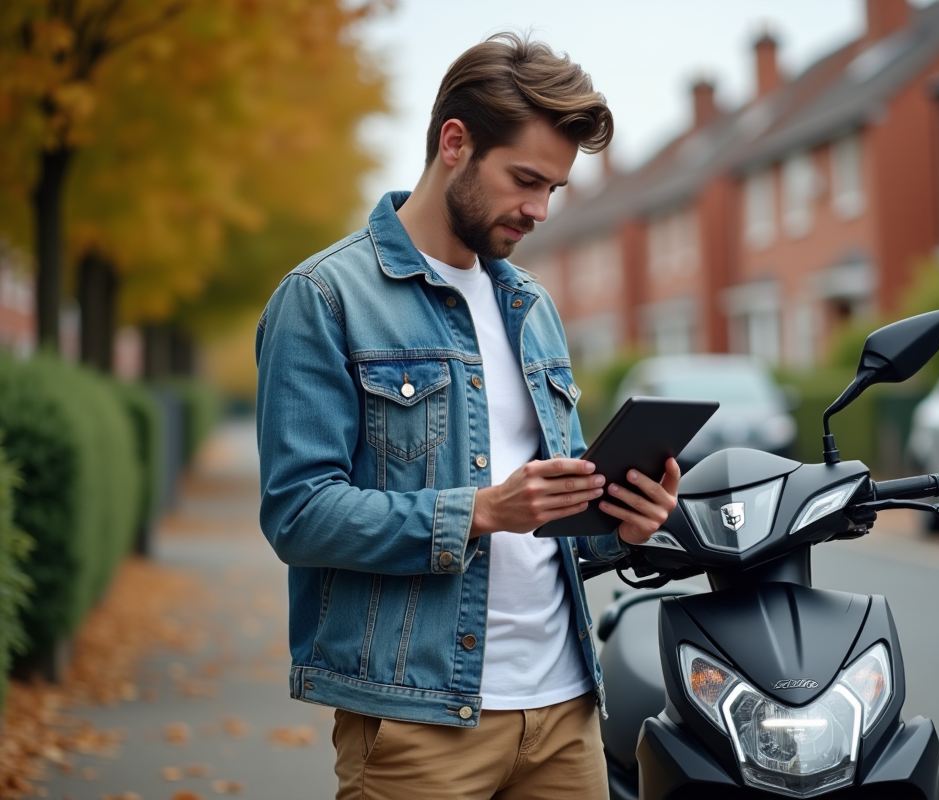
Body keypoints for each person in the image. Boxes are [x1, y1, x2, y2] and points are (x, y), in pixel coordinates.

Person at [255, 33, 679, 800]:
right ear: (455, 143)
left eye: (553, 189)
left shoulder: (532, 305)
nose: (539, 210)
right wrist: (479, 511)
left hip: (565, 713)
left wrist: (624, 523)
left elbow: (558, 523)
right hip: (417, 721)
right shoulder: (324, 298)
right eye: (525, 180)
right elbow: (299, 514)